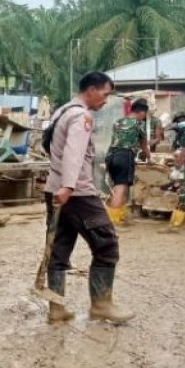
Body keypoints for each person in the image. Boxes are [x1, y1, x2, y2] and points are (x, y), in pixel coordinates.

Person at [43, 71, 134, 324]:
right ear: (91, 90)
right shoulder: (81, 116)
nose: (106, 100)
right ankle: (101, 305)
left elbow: (48, 146)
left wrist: (61, 185)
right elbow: (73, 153)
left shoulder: (62, 111)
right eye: (105, 94)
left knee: (59, 248)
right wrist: (69, 186)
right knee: (107, 245)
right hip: (77, 193)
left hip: (55, 190)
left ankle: (57, 309)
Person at [104, 98, 151, 225]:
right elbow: (144, 146)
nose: (144, 117)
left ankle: (121, 216)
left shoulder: (118, 122)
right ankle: (113, 221)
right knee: (121, 189)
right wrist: (149, 158)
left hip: (111, 156)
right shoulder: (139, 124)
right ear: (142, 112)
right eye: (145, 114)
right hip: (125, 156)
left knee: (118, 188)